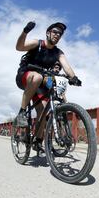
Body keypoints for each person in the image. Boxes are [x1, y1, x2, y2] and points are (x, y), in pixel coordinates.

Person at [14, 21, 81, 150]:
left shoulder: (58, 52)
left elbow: (66, 66)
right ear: (48, 33)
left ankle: (38, 141)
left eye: (60, 34)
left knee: (44, 109)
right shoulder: (37, 43)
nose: (57, 35)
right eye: (55, 32)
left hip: (40, 82)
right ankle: (22, 113)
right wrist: (25, 31)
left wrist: (74, 78)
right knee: (37, 77)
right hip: (25, 76)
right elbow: (19, 47)